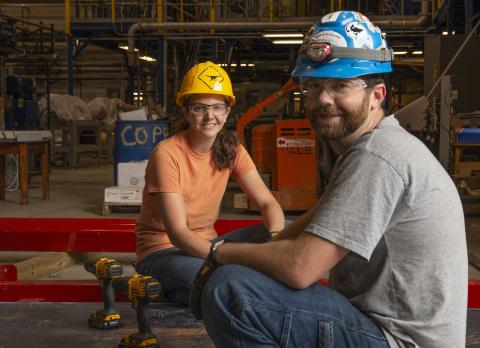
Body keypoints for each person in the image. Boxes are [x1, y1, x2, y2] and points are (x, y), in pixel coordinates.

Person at [191, 11, 468, 348]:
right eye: (314, 86)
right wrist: (259, 243)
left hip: (399, 340)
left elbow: (301, 268)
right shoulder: (363, 145)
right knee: (254, 238)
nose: (323, 99)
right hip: (375, 320)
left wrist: (222, 254)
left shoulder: (378, 155)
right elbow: (321, 214)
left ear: (377, 95)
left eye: (340, 86)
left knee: (231, 290)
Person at [135, 61, 285, 305]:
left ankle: (187, 294)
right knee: (227, 278)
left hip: (208, 246)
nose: (209, 116)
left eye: (217, 107)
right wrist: (234, 257)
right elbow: (178, 234)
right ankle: (191, 289)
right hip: (163, 252)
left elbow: (267, 202)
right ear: (185, 111)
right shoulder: (168, 153)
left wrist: (277, 238)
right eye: (199, 108)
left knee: (289, 231)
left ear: (227, 111)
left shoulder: (232, 149)